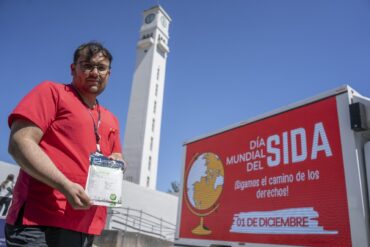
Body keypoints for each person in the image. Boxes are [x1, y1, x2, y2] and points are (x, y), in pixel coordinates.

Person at [5, 41, 124, 247]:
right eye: (86, 65)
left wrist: (117, 162)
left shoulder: (111, 119)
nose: (94, 72)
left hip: (85, 228)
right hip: (39, 223)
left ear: (109, 74)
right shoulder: (52, 92)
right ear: (73, 68)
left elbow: (118, 156)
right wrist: (64, 185)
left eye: (101, 67)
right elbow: (20, 142)